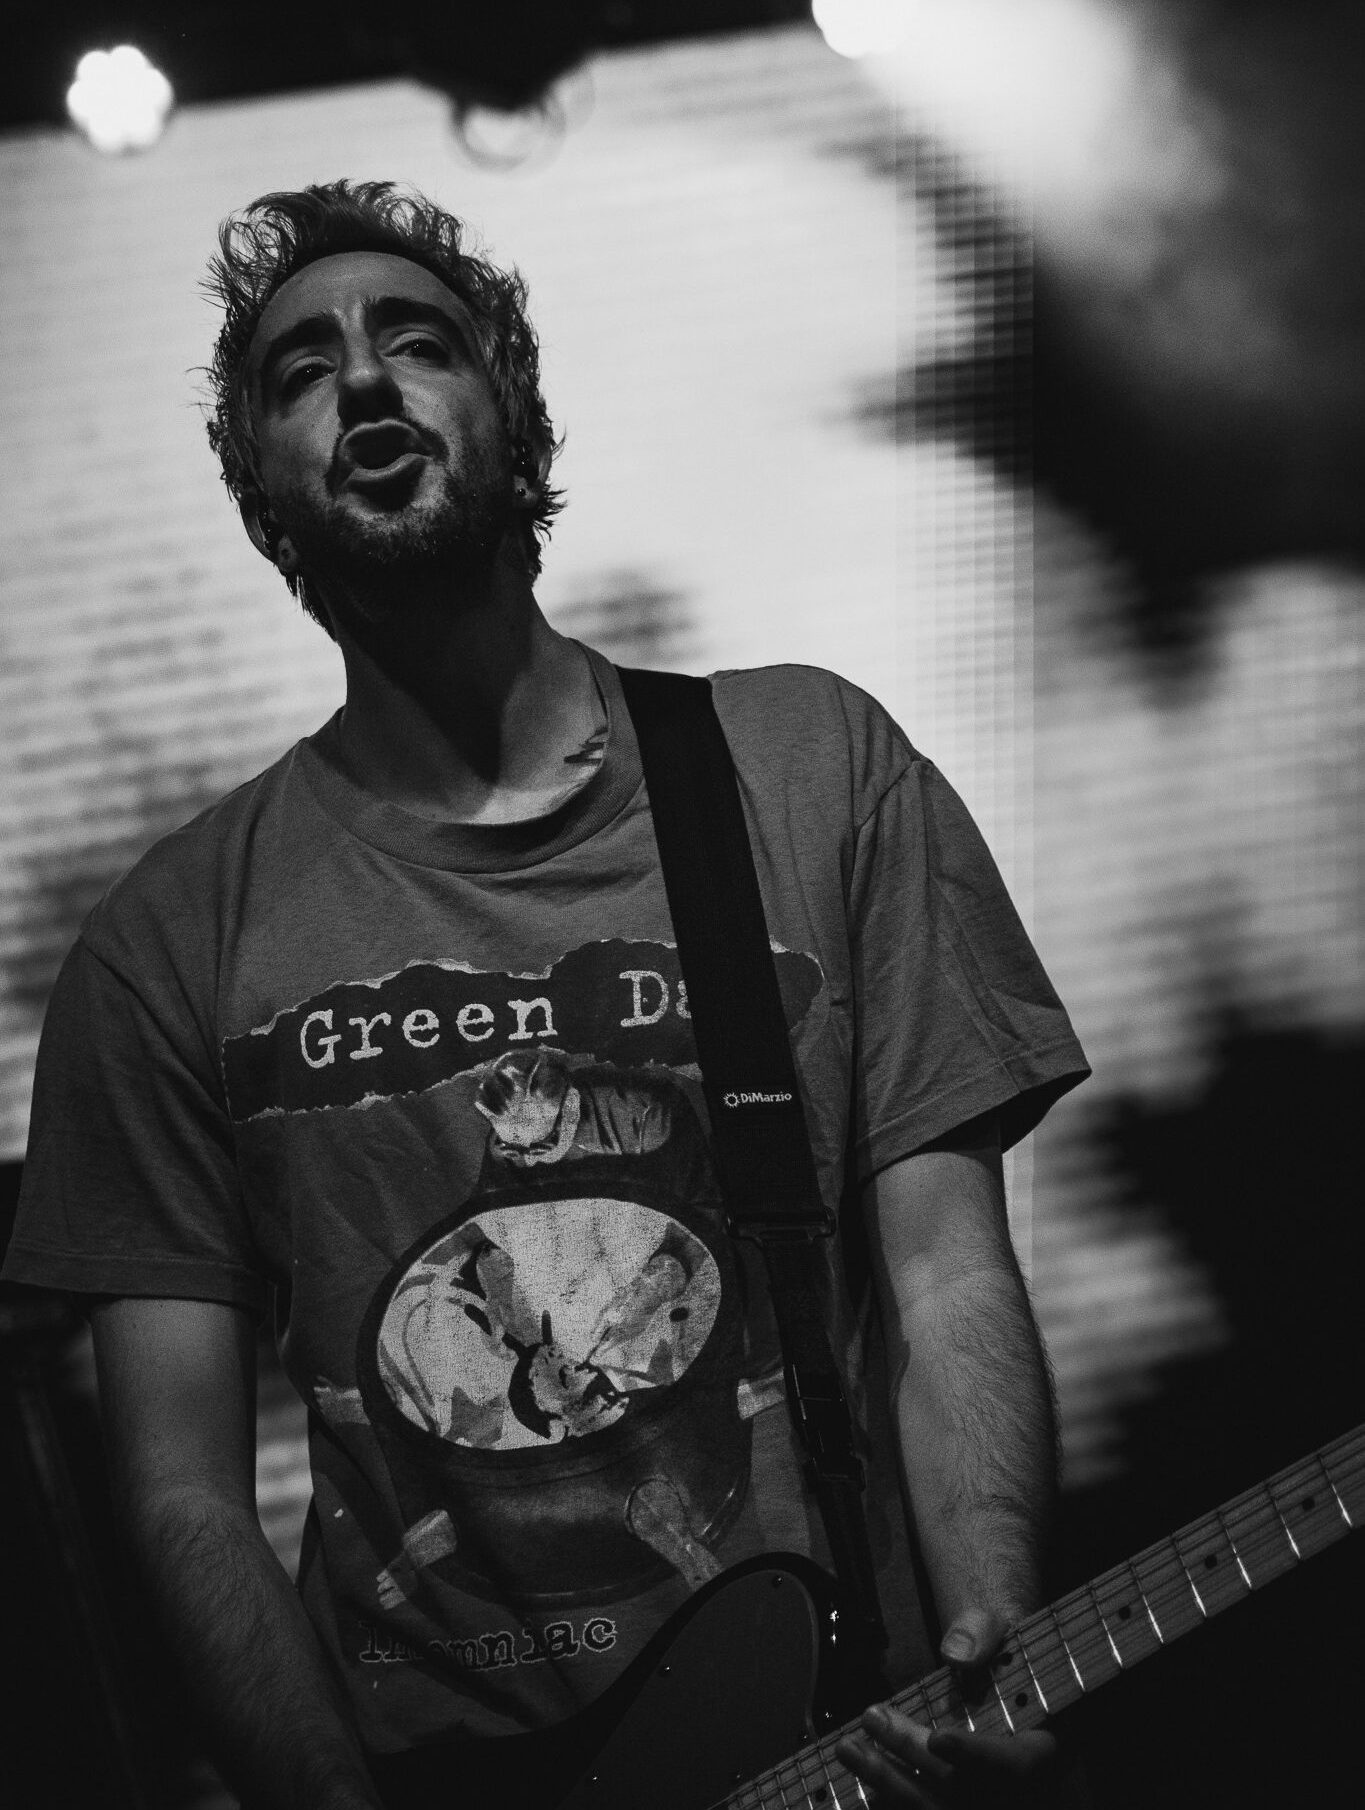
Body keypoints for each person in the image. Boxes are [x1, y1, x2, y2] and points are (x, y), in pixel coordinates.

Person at [3, 181, 1090, 1810]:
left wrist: (986, 1648)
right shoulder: (163, 947)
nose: (362, 379)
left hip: (834, 1734)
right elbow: (181, 1496)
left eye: (416, 340)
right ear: (261, 500)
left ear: (513, 421)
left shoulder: (809, 772)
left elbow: (944, 1281)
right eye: (301, 370)